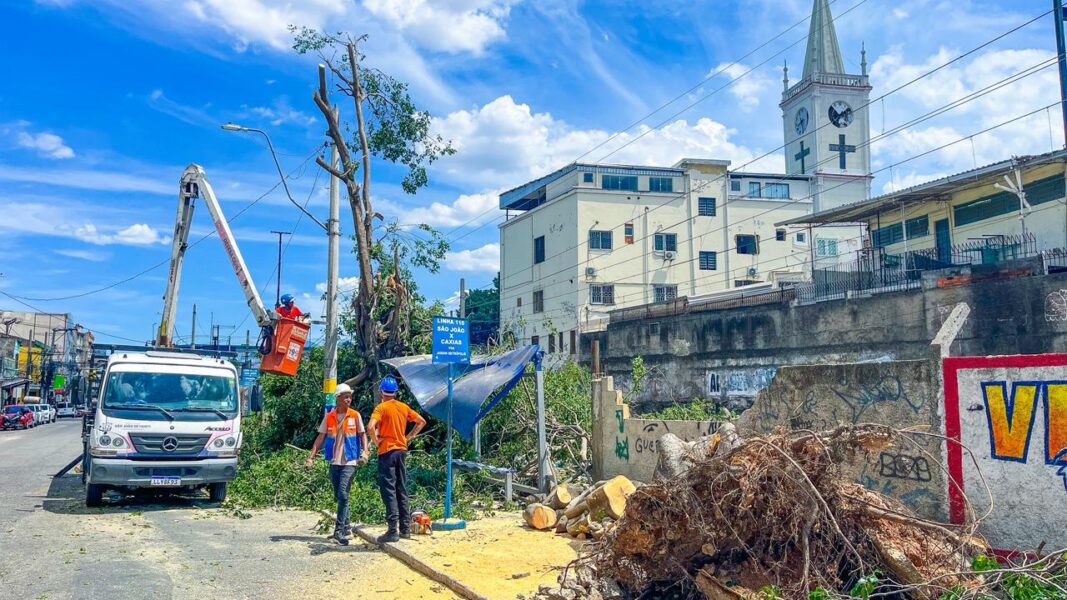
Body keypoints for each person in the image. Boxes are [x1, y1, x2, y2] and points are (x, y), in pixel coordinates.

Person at [305, 383, 369, 546]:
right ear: (338, 398)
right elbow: (320, 438)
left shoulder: (355, 415)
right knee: (339, 495)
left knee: (342, 494)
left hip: (350, 460)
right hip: (334, 461)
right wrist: (311, 457)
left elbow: (362, 435)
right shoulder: (330, 417)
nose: (349, 399)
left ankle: (339, 532)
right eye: (345, 396)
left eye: (350, 396)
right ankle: (347, 529)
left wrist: (365, 452)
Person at [367, 375, 425, 543]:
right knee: (402, 488)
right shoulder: (403, 407)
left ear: (381, 392)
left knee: (389, 490)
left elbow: (371, 426)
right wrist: (407, 438)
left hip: (386, 452)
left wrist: (377, 442)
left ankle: (392, 530)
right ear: (395, 392)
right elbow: (421, 421)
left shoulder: (381, 408)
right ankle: (405, 529)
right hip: (401, 451)